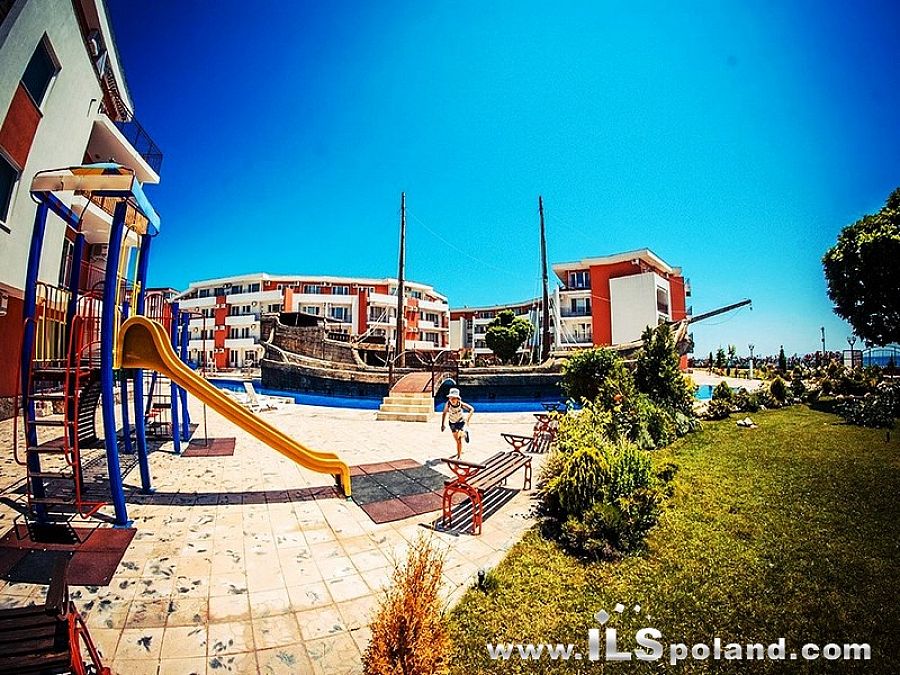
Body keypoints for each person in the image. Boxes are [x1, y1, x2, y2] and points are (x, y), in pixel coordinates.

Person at [440, 388, 474, 459]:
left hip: (461, 422)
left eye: (454, 398)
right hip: (452, 423)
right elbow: (444, 413)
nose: (452, 400)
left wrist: (467, 419)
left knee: (459, 439)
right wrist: (442, 425)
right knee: (457, 440)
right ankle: (465, 435)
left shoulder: (461, 404)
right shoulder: (448, 404)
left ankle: (459, 457)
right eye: (450, 398)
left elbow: (471, 409)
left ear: (458, 399)